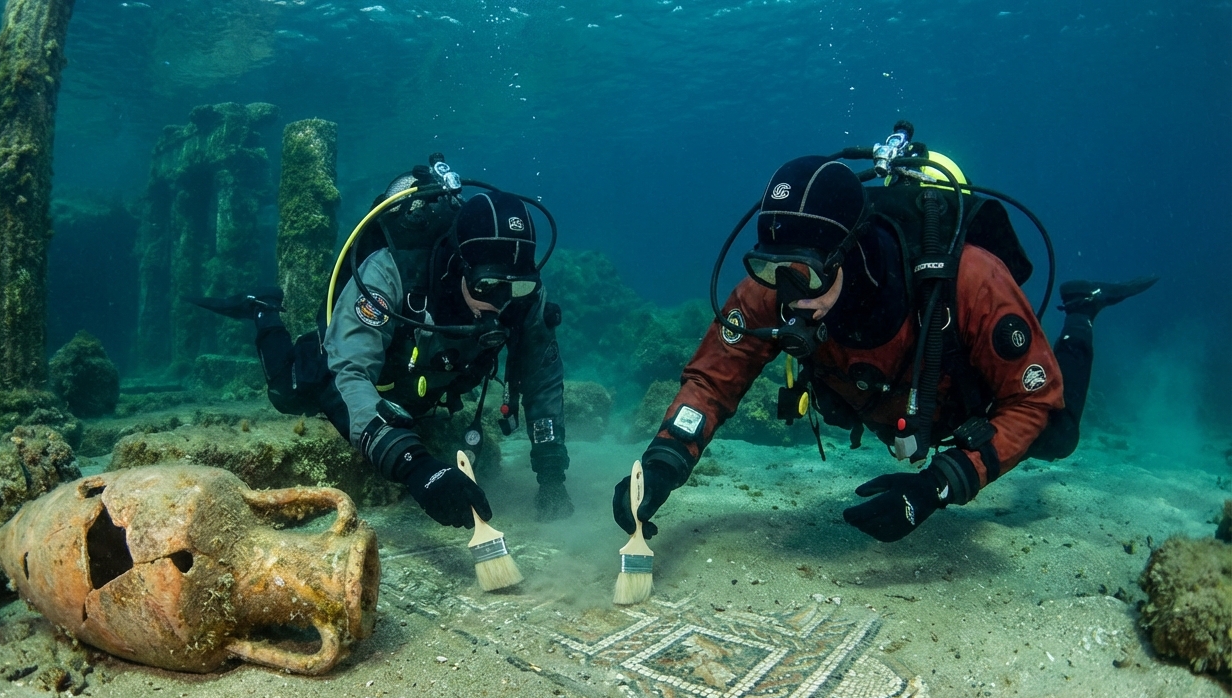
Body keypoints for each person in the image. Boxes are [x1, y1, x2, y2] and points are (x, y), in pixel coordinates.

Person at [613, 141, 1156, 543]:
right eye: (767, 269)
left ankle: (1082, 312)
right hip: (880, 404)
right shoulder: (773, 287)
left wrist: (938, 486)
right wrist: (663, 461)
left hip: (959, 404)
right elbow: (712, 381)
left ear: (848, 251)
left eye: (803, 274)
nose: (787, 294)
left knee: (1057, 437)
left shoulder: (972, 280)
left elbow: (1032, 398)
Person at [194, 158, 573, 529]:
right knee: (287, 391)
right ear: (460, 264)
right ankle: (264, 309)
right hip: (359, 356)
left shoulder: (524, 296)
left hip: (424, 380)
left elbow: (543, 380)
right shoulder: (388, 273)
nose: (502, 302)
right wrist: (415, 466)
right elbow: (350, 374)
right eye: (488, 286)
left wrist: (552, 478)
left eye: (517, 286)